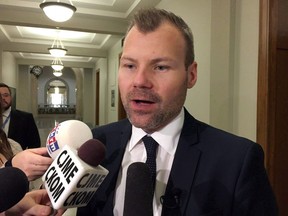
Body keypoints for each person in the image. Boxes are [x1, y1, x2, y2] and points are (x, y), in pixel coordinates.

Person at [77, 8, 278, 216]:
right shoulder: (96, 144)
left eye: (160, 67)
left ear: (191, 75)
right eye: (129, 65)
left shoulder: (237, 161)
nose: (139, 81)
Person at [0, 82, 41, 150]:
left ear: (11, 97)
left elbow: (35, 145)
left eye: (6, 95)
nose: (2, 98)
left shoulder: (26, 118)